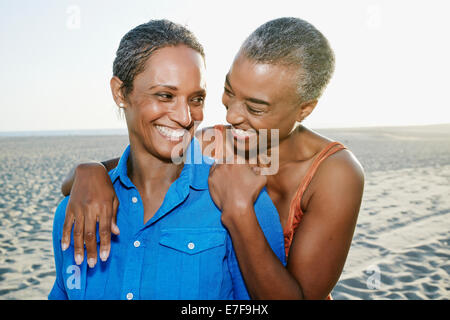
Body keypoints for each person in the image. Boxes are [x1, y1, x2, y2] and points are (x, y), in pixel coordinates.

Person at [61, 17, 365, 299]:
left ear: (304, 109)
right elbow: (133, 166)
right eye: (229, 92)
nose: (231, 115)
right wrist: (87, 171)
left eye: (255, 108)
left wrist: (239, 212)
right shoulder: (218, 142)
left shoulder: (336, 173)